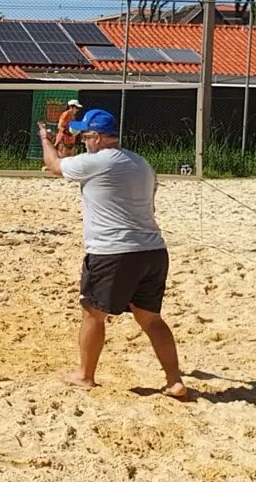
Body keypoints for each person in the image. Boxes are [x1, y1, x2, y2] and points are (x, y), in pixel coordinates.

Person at [38, 108, 186, 400]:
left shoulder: (98, 161)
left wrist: (44, 138)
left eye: (85, 136)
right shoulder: (141, 163)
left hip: (113, 252)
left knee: (92, 314)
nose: (83, 141)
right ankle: (174, 380)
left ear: (97, 137)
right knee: (151, 319)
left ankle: (85, 375)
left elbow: (54, 165)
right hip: (153, 251)